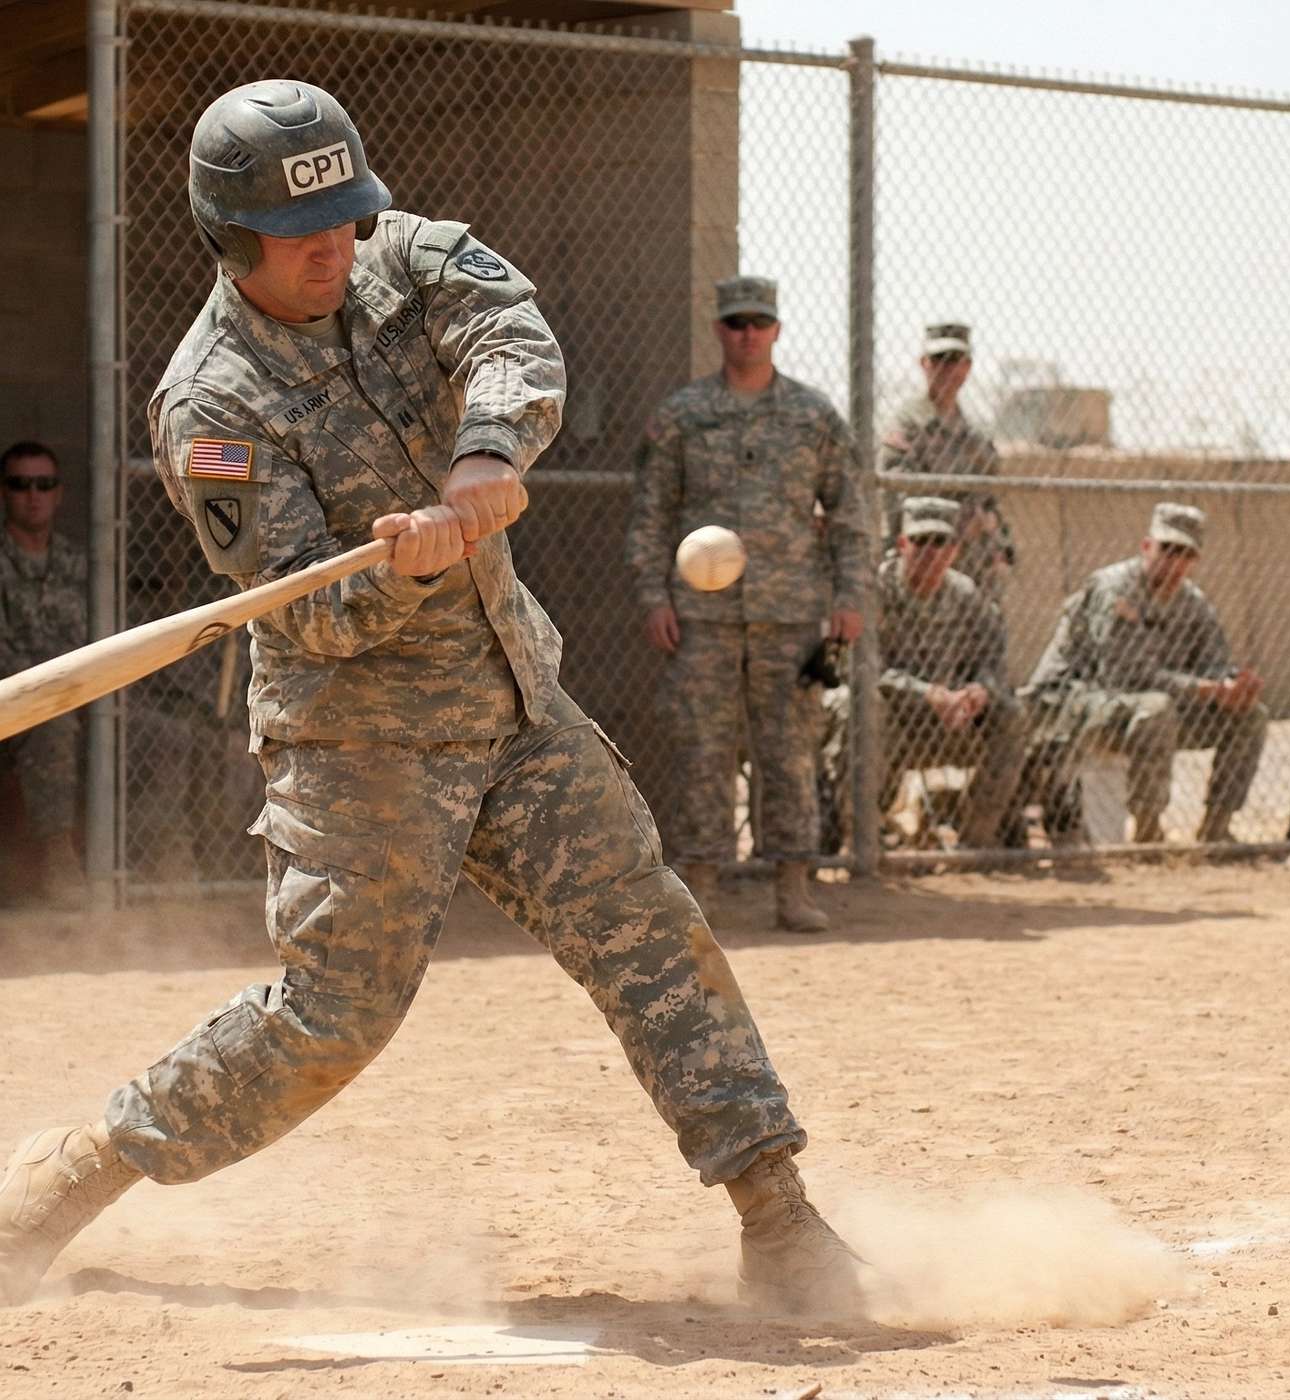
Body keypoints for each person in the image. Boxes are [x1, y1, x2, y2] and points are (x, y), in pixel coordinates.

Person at [0, 80, 864, 1318]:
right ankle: (87, 1164)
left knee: (646, 926)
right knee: (330, 1020)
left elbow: (513, 332)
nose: (333, 249)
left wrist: (486, 450)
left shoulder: (402, 255)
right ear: (231, 239)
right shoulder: (211, 404)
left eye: (343, 219)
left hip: (514, 697)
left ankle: (778, 1218)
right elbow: (305, 609)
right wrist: (398, 567)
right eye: (299, 235)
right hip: (359, 746)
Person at [626, 276, 870, 933]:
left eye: (759, 322)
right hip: (701, 619)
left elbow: (849, 515)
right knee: (702, 750)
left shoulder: (813, 417)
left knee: (790, 753)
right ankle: (700, 887)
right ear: (718, 329)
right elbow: (651, 514)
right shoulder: (683, 415)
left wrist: (849, 596)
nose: (748, 334)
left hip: (789, 615)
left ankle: (793, 888)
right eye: (736, 323)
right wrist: (654, 596)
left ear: (777, 330)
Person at [1022, 502, 1267, 844]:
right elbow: (1124, 676)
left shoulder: (1192, 602)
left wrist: (1231, 685)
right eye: (1168, 550)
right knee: (1156, 709)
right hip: (1073, 702)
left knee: (1250, 716)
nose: (1175, 562)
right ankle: (1148, 828)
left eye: (1186, 554)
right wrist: (1204, 688)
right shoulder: (1115, 589)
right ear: (1146, 546)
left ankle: (1217, 828)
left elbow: (1213, 661)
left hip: (1137, 711)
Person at [822, 497, 1026, 850]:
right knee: (864, 705)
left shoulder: (965, 594)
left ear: (954, 550)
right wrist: (925, 693)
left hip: (949, 720)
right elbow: (859, 667)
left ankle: (976, 840)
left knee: (1012, 713)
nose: (930, 552)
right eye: (920, 541)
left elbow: (992, 658)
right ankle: (863, 841)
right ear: (903, 544)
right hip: (891, 719)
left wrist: (978, 690)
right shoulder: (876, 591)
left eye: (940, 542)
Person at [0, 440, 87, 907]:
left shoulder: (82, 564)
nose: (33, 495)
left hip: (83, 695)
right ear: (4, 493)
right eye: (20, 484)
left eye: (43, 484)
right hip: (15, 701)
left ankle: (165, 866)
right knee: (53, 727)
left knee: (162, 734)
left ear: (58, 493)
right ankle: (59, 861)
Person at [879, 323, 1014, 601]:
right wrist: (966, 518)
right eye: (939, 359)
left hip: (973, 564)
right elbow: (900, 498)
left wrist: (1002, 546)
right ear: (924, 364)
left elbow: (990, 502)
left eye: (955, 360)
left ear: (967, 367)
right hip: (923, 558)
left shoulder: (974, 436)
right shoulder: (907, 426)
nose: (947, 369)